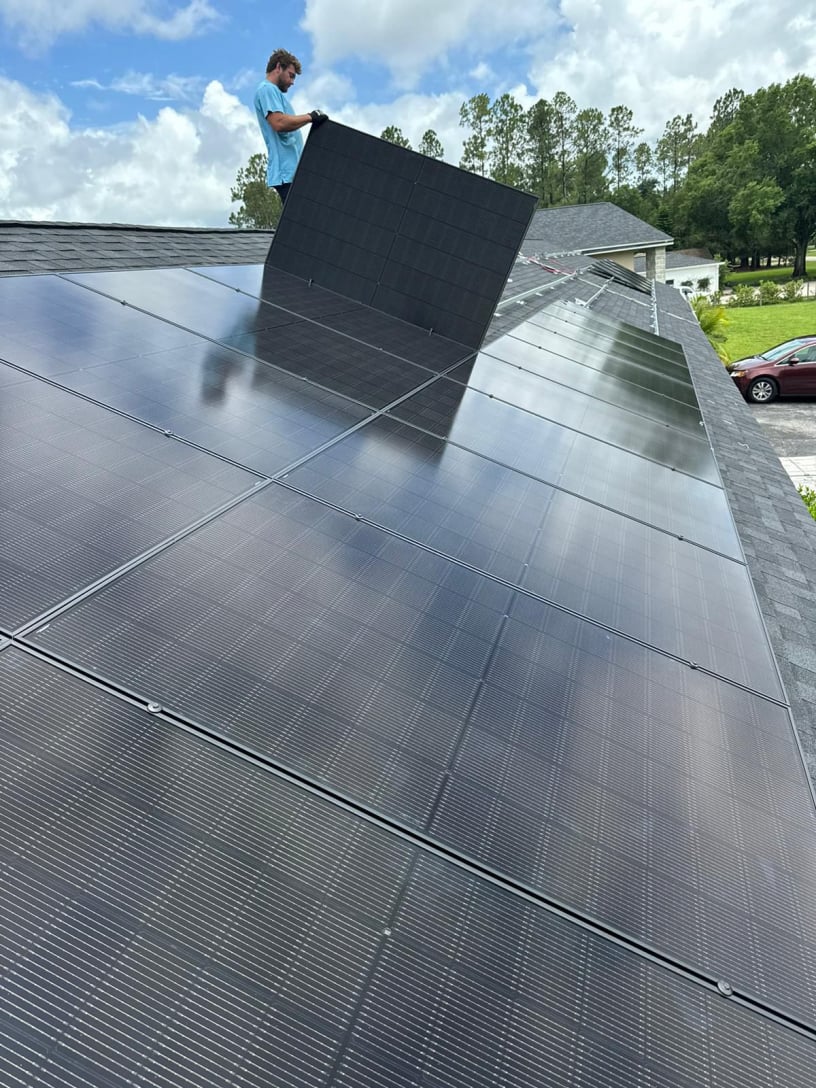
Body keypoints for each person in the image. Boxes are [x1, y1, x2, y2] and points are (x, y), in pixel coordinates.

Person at [253, 49, 328, 205]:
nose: (292, 82)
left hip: (294, 173)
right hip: (286, 173)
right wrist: (310, 117)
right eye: (291, 75)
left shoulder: (274, 93)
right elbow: (279, 122)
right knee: (302, 217)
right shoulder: (267, 89)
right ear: (278, 67)